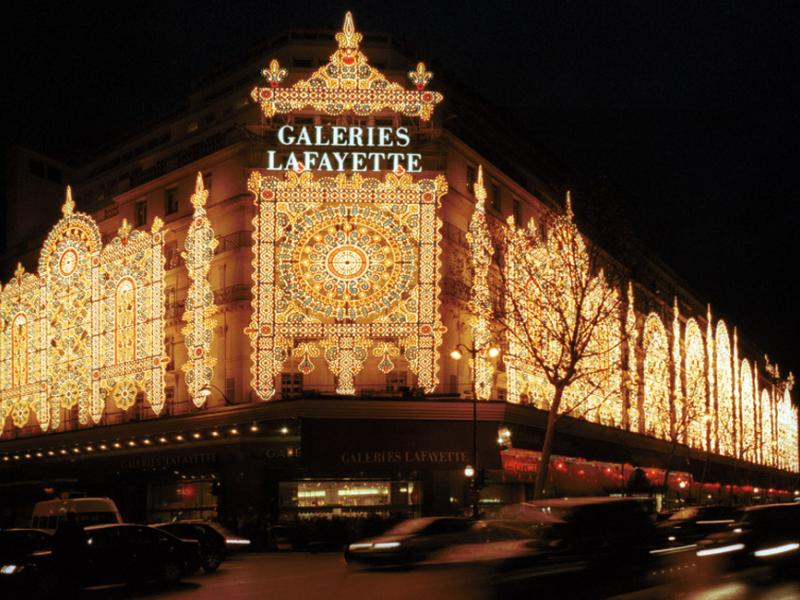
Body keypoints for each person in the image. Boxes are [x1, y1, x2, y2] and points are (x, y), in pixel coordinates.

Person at [53, 511, 87, 592]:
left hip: (65, 556)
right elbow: (83, 541)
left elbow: (56, 540)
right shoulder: (78, 527)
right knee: (74, 577)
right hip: (75, 556)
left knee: (65, 578)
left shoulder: (63, 527)